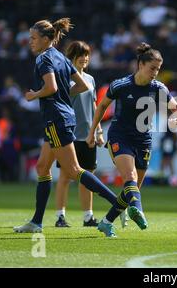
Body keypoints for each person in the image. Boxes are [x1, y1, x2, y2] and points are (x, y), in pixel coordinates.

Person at [13, 18, 120, 237]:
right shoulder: (60, 56)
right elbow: (81, 85)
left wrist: (35, 94)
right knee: (42, 167)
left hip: (55, 119)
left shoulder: (43, 59)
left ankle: (119, 203)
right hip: (64, 117)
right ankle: (36, 222)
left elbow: (50, 87)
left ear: (45, 39)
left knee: (73, 171)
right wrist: (62, 96)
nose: (30, 42)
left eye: (33, 38)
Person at [86, 42, 177, 234]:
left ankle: (106, 222)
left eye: (158, 69)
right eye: (152, 68)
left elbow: (176, 107)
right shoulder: (120, 85)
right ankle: (138, 211)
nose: (155, 72)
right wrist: (93, 132)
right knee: (129, 179)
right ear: (140, 65)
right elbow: (101, 107)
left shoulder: (158, 88)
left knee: (132, 190)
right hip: (119, 137)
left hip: (143, 141)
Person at [54, 41, 128, 228]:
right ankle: (60, 217)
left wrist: (99, 131)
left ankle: (88, 217)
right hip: (69, 135)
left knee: (88, 177)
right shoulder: (65, 79)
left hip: (88, 136)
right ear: (72, 56)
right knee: (65, 176)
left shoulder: (91, 79)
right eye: (81, 54)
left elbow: (95, 107)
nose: (85, 58)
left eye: (87, 55)